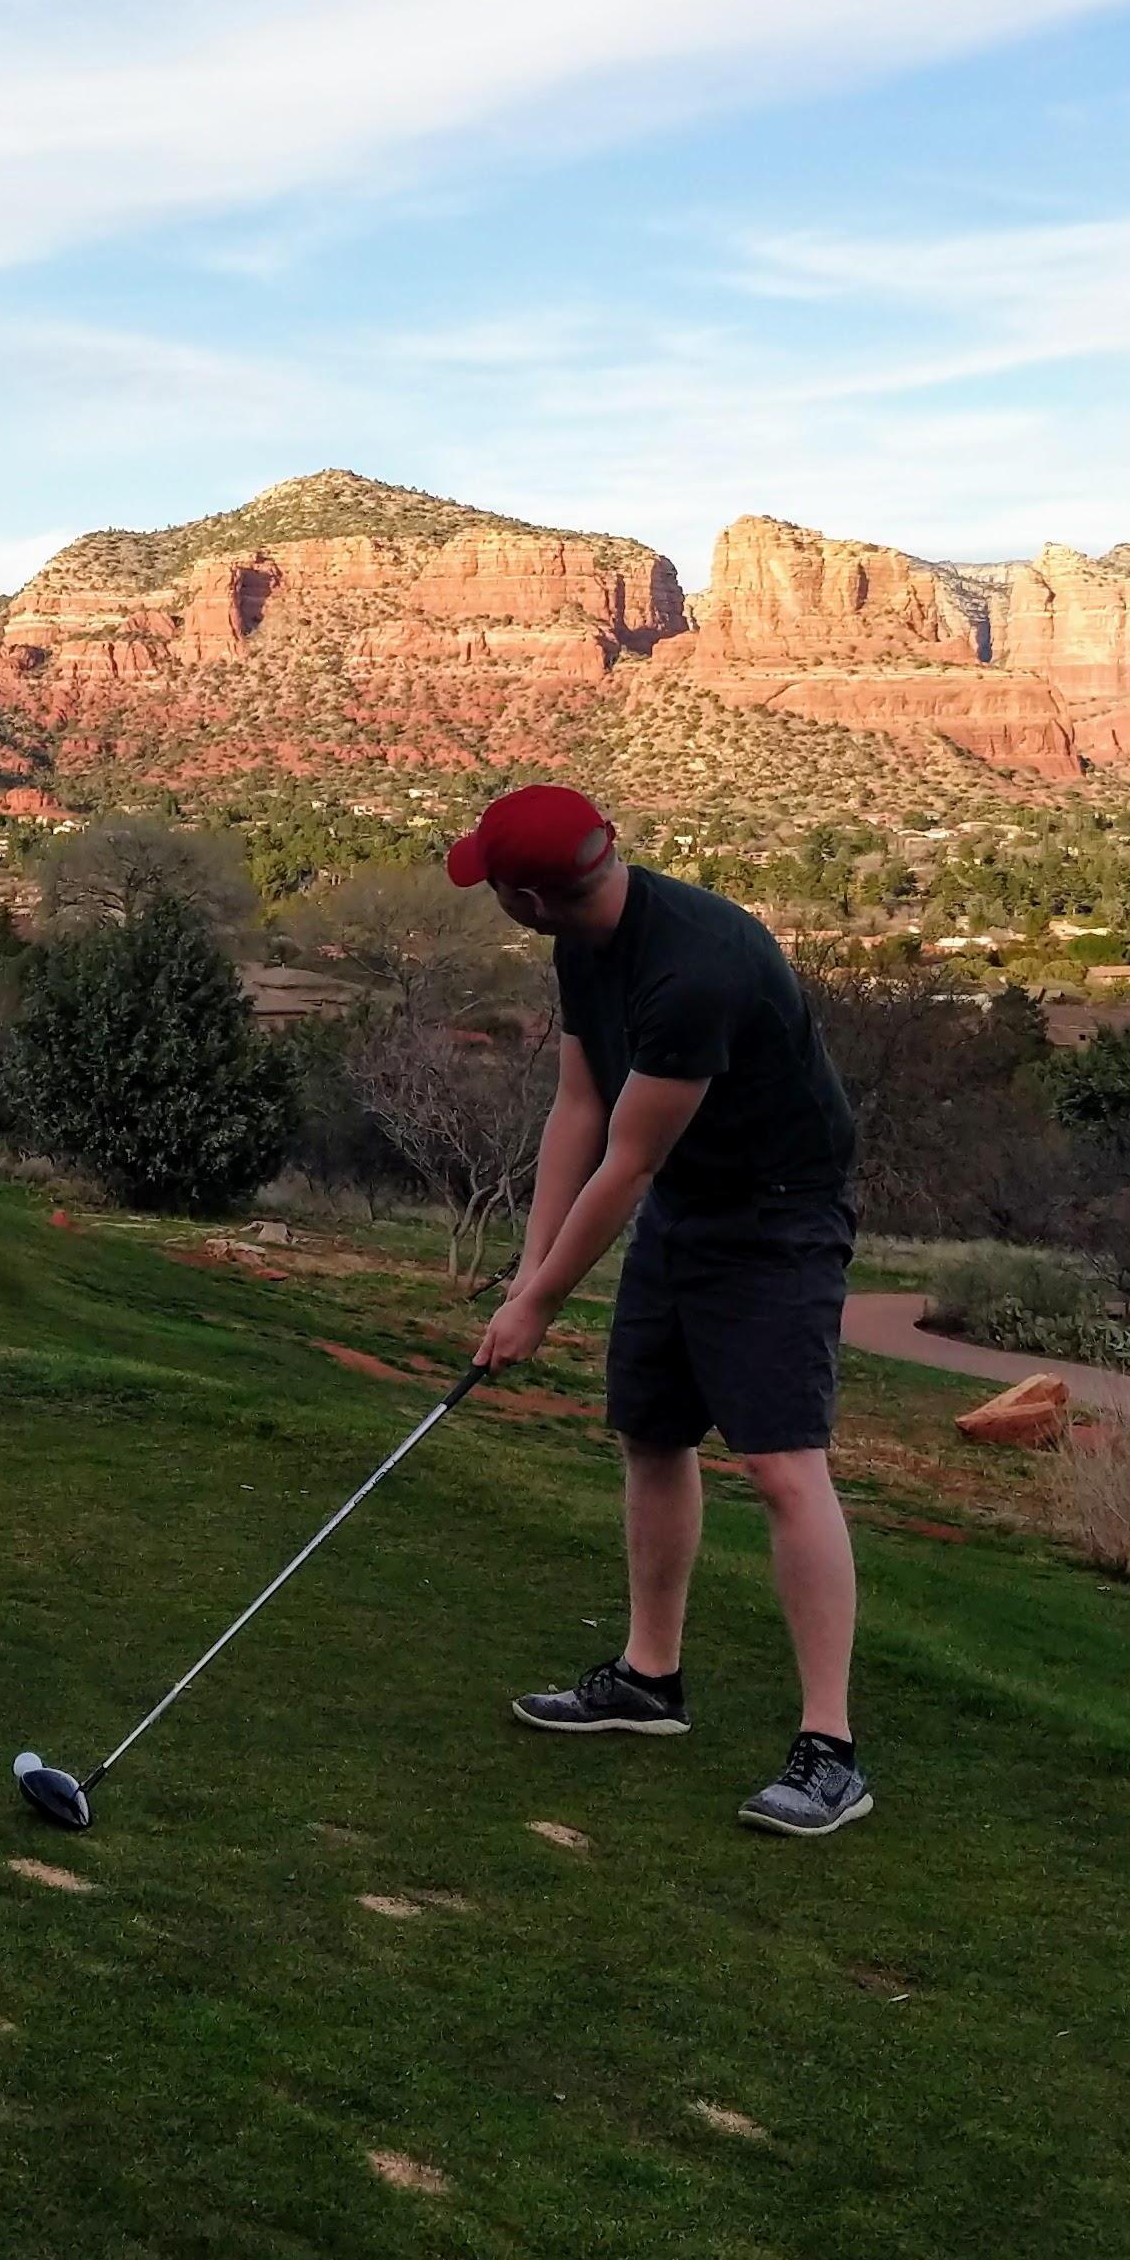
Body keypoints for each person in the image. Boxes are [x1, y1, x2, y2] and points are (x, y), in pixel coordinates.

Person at [450, 783, 872, 1838]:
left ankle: (832, 1750)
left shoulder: (696, 969)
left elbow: (625, 1166)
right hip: (690, 1201)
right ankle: (650, 1678)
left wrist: (542, 1305)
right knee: (652, 1431)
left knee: (780, 1464)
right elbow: (580, 1110)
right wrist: (528, 1268)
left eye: (493, 884)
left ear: (529, 897)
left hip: (779, 1214)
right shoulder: (582, 944)